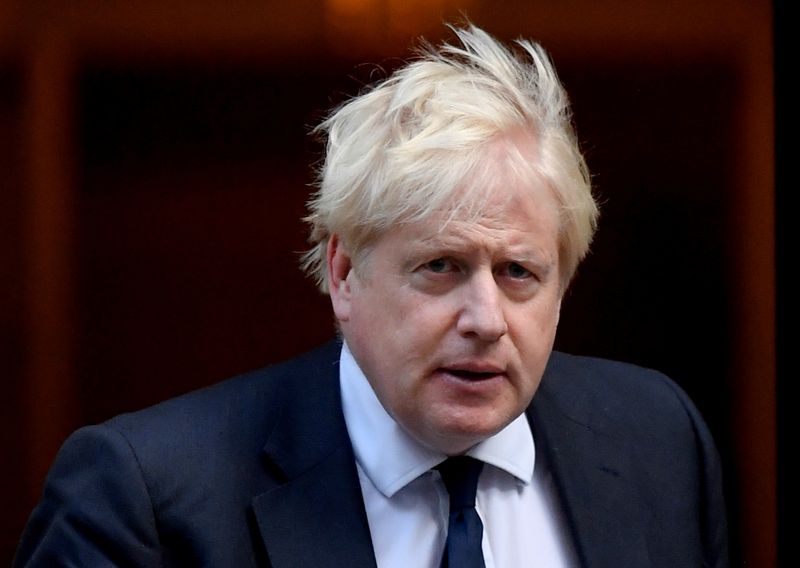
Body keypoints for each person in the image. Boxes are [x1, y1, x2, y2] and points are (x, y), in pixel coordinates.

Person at [13, 23, 728, 567]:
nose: (486, 320)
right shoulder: (142, 500)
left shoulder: (659, 443)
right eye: (441, 267)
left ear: (564, 281)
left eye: (518, 273)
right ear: (344, 274)